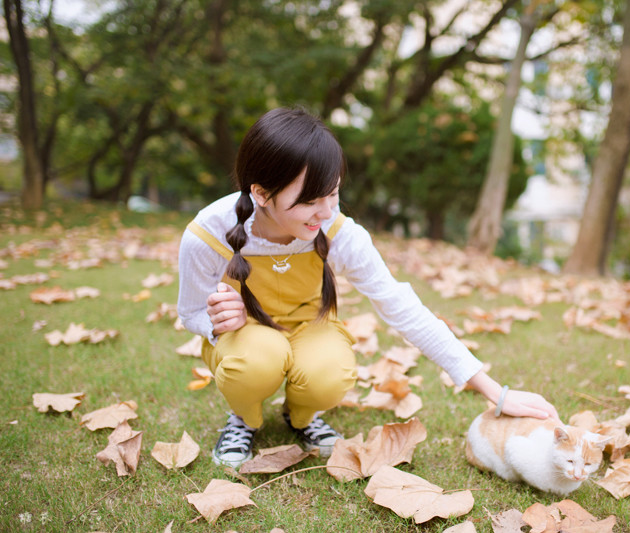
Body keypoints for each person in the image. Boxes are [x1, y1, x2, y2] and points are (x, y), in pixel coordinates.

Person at [177, 107, 559, 468]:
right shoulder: (207, 233)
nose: (326, 212)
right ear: (261, 193)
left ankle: (302, 417)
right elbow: (190, 312)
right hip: (247, 338)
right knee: (258, 360)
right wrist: (217, 323)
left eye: (333, 193)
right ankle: (244, 418)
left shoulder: (339, 232)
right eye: (310, 201)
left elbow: (402, 307)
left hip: (309, 329)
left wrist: (497, 392)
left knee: (331, 372)